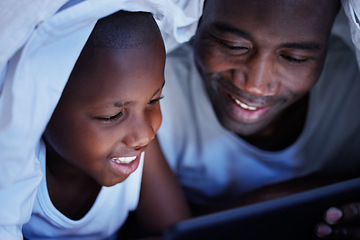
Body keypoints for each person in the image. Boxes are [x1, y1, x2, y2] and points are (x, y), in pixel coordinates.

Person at [157, 0, 360, 238]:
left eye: (295, 58)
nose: (256, 83)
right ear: (198, 22)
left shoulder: (352, 90)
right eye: (231, 45)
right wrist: (282, 199)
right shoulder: (155, 93)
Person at [21, 10, 190, 240]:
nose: (144, 135)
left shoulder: (132, 150)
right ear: (43, 105)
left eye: (154, 100)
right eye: (112, 115)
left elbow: (177, 233)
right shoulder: (15, 166)